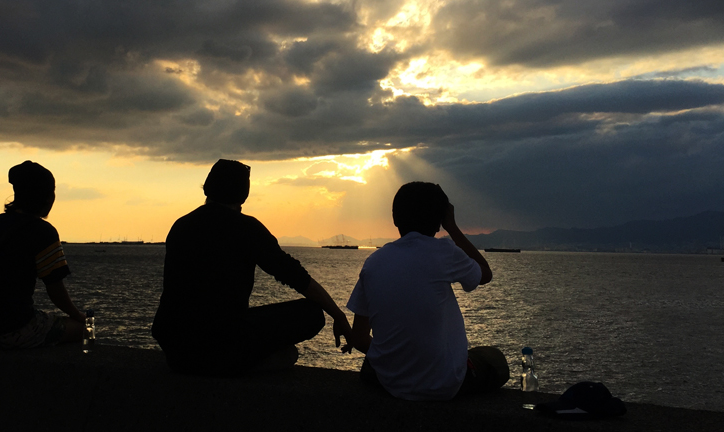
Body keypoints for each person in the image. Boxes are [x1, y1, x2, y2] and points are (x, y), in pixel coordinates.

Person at [151, 159, 353, 375]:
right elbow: (296, 276)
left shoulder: (181, 225)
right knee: (311, 315)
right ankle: (236, 366)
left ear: (207, 187)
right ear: (244, 194)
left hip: (175, 347)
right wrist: (338, 315)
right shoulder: (247, 229)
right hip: (221, 342)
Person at [345, 182, 509, 400]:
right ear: (439, 220)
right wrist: (452, 227)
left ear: (395, 219)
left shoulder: (373, 262)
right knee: (495, 359)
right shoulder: (444, 251)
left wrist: (398, 358)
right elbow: (485, 274)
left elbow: (358, 338)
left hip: (390, 383)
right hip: (444, 384)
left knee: (373, 361)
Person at [0, 160, 87, 348]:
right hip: (12, 330)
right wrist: (78, 315)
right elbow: (55, 289)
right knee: (86, 330)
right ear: (47, 197)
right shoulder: (43, 231)